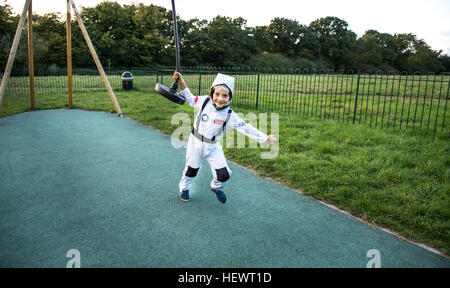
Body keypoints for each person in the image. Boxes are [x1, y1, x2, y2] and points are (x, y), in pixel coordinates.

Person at [174, 71, 277, 204]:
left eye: (225, 95)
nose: (220, 98)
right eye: (217, 94)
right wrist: (181, 81)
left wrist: (265, 138)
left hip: (213, 146)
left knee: (224, 175)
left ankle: (216, 187)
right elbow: (189, 97)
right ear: (212, 93)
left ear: (230, 97)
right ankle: (184, 188)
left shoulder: (229, 114)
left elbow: (245, 127)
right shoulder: (204, 101)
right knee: (191, 170)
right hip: (196, 143)